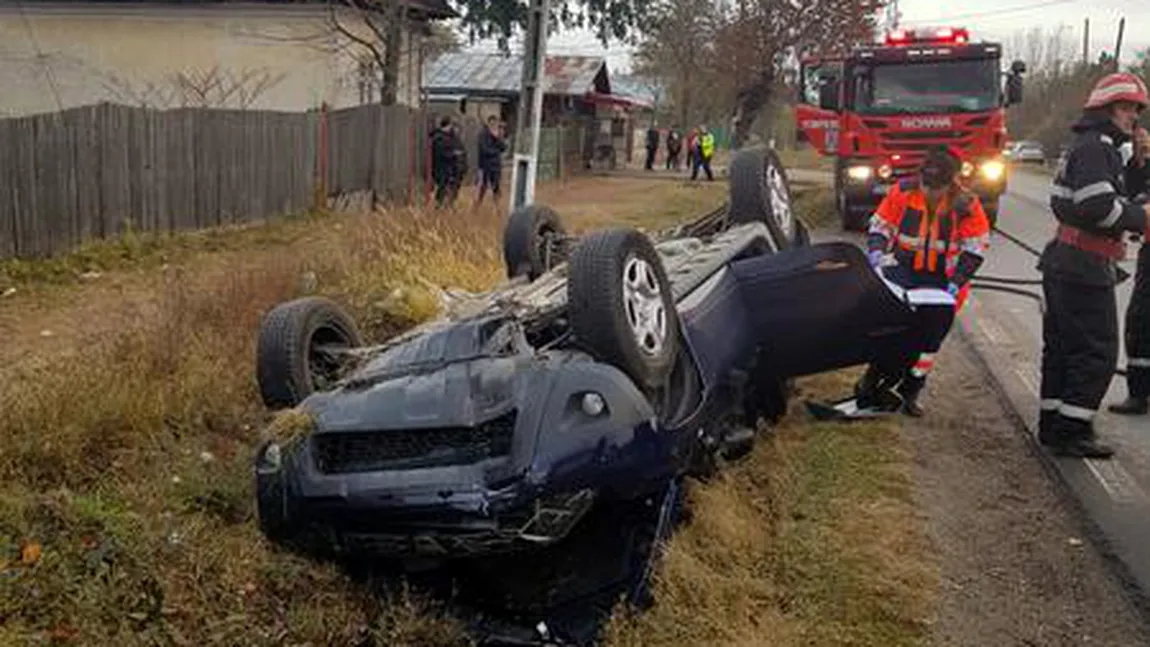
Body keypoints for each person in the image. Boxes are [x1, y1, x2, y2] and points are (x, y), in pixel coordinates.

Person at [1037, 72, 1150, 459]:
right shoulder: (1096, 148)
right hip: (1081, 266)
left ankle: (1053, 423)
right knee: (1096, 352)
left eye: (1136, 110)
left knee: (1064, 349)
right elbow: (1097, 206)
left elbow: (1109, 195)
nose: (1132, 117)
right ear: (1105, 110)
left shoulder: (1096, 147)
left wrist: (1138, 163)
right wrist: (1142, 216)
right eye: (1126, 108)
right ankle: (1072, 430)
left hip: (1070, 262)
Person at [855, 145, 991, 416]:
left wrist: (957, 280)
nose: (930, 192)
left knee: (930, 341)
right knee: (892, 331)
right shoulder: (903, 192)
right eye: (927, 185)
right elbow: (881, 225)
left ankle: (912, 389)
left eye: (937, 188)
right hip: (902, 272)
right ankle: (872, 381)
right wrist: (876, 251)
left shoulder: (966, 204)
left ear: (951, 181)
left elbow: (975, 247)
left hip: (943, 281)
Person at [429, 116, 465, 208]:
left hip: (452, 167)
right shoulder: (439, 137)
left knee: (450, 187)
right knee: (442, 186)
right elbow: (441, 153)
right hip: (441, 167)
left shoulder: (451, 137)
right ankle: (439, 205)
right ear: (448, 125)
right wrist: (454, 154)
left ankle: (447, 205)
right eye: (452, 125)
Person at [474, 115, 507, 211]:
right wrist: (496, 152)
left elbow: (504, 147)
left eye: (495, 123)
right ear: (488, 123)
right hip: (484, 166)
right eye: (492, 123)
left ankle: (497, 207)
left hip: (496, 165)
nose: (494, 125)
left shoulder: (498, 134)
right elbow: (484, 150)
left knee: (496, 187)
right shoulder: (482, 134)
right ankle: (476, 207)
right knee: (482, 187)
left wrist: (496, 138)